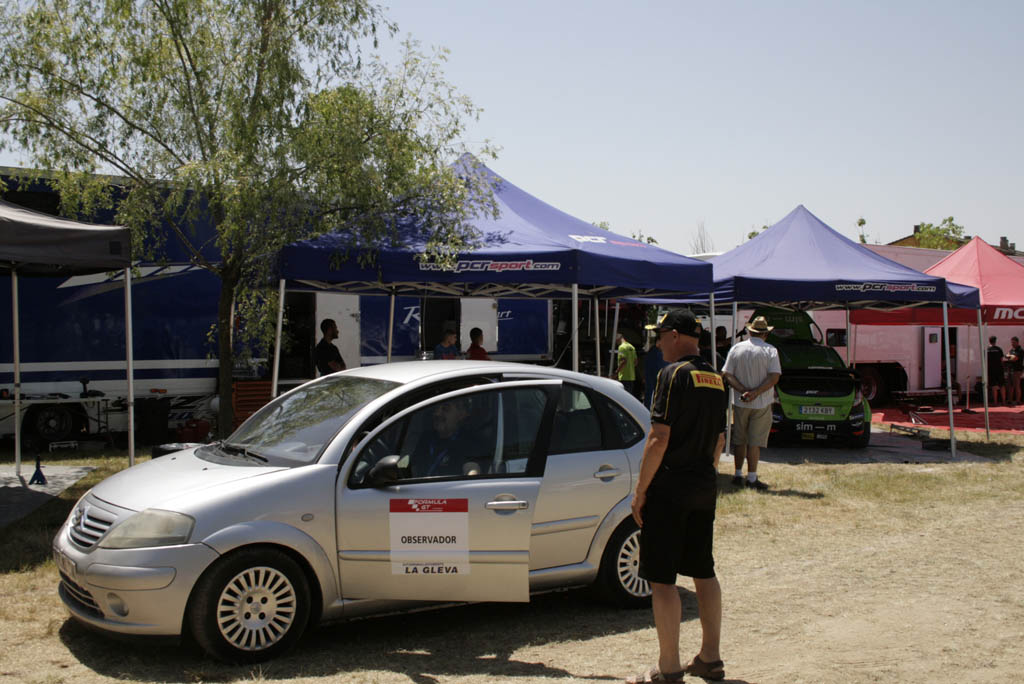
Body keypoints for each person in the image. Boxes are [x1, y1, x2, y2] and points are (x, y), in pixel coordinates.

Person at [627, 309, 727, 683]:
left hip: (670, 489)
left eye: (659, 336)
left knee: (662, 579)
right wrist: (703, 474)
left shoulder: (672, 375)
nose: (657, 344)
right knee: (703, 570)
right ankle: (710, 658)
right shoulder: (716, 378)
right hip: (703, 485)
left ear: (674, 335)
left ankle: (669, 667)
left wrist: (640, 492)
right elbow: (719, 440)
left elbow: (659, 437)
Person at [721, 315, 781, 491]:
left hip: (741, 402)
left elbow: (727, 374)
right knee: (754, 442)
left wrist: (743, 390)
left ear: (749, 331)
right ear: (765, 334)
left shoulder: (736, 348)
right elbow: (774, 377)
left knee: (740, 440)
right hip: (761, 402)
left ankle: (738, 474)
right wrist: (756, 392)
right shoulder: (771, 350)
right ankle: (752, 478)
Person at [411, 398, 480, 477]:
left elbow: (472, 471)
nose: (437, 413)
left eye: (445, 409)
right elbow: (413, 468)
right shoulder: (426, 437)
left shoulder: (470, 442)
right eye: (436, 409)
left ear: (462, 414)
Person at [643, 337, 668, 408]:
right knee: (650, 394)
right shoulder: (654, 352)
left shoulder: (658, 352)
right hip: (652, 377)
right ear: (658, 341)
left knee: (655, 394)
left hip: (656, 377)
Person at [987, 335, 1005, 405]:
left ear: (989, 341)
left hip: (991, 369)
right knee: (1002, 385)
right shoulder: (999, 349)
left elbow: (985, 360)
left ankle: (995, 402)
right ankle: (1003, 401)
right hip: (999, 369)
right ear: (995, 341)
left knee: (993, 385)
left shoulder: (987, 350)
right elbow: (1001, 360)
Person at [1004, 337, 1023, 405]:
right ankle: (1010, 400)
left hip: (1017, 370)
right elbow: (1006, 355)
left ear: (1017, 342)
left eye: (1014, 342)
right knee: (1010, 385)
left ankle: (1018, 401)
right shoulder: (1012, 350)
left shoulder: (1020, 350)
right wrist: (1010, 357)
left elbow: (1015, 358)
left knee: (1016, 385)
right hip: (1010, 369)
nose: (1012, 344)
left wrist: (1010, 357)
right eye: (1012, 342)